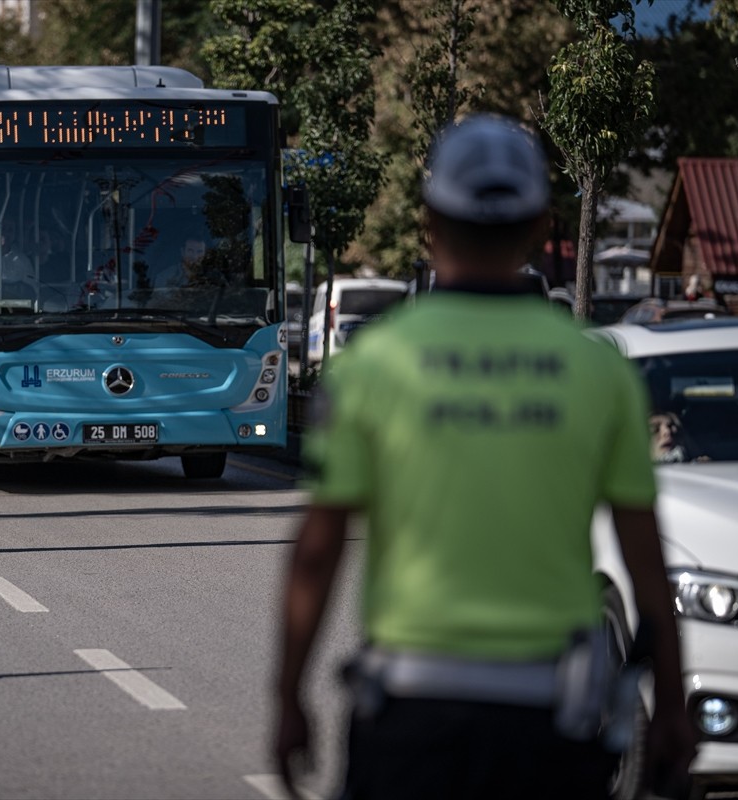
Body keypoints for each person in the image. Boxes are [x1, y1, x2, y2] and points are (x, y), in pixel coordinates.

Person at [275, 115, 697, 800]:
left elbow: (318, 551)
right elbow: (647, 563)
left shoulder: (374, 364)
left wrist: (288, 697)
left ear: (431, 222)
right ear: (539, 226)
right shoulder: (601, 373)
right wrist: (672, 704)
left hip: (411, 714)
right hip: (552, 726)